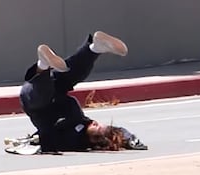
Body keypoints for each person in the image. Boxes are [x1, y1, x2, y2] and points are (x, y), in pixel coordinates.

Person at [19, 31, 148, 153]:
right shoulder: (82, 120)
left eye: (97, 128)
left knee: (41, 92)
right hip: (57, 89)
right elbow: (121, 131)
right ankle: (96, 47)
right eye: (99, 124)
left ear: (94, 141)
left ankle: (43, 64)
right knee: (73, 74)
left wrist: (34, 142)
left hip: (36, 102)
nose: (95, 122)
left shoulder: (72, 140)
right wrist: (132, 140)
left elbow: (46, 142)